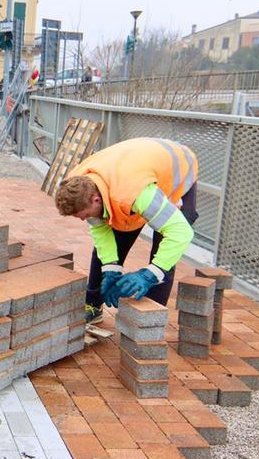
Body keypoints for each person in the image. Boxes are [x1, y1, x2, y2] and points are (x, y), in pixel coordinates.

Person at [54, 138, 199, 324]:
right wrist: (110, 269)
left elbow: (181, 233)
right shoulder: (78, 184)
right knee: (115, 233)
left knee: (165, 250)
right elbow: (102, 232)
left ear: (96, 200)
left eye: (84, 215)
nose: (83, 219)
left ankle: (149, 319)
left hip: (177, 171)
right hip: (135, 168)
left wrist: (150, 274)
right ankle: (93, 304)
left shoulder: (132, 195)